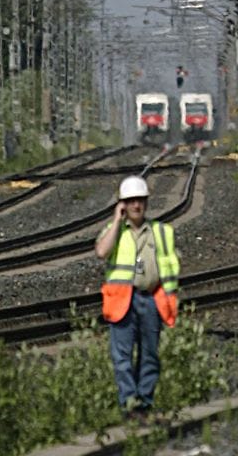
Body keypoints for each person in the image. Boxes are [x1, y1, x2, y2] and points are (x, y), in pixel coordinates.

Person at [94, 175, 180, 419]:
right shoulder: (114, 232)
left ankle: (144, 403)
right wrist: (115, 220)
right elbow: (101, 251)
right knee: (122, 356)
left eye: (139, 200)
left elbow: (170, 265)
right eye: (130, 201)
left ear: (146, 202)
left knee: (150, 354)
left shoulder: (160, 232)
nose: (135, 205)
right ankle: (128, 404)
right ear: (122, 204)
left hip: (151, 298)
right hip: (122, 300)